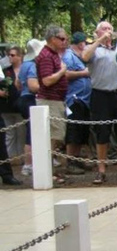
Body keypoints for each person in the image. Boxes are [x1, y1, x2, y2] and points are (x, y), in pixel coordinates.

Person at [80, 21, 117, 184]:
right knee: (102, 133)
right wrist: (99, 41)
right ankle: (101, 170)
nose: (108, 31)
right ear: (97, 32)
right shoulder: (93, 48)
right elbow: (85, 57)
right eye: (104, 29)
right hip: (100, 95)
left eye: (110, 29)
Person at [35, 26, 71, 184]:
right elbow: (47, 80)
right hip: (49, 101)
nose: (65, 42)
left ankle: (50, 172)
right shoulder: (46, 56)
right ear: (52, 39)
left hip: (57, 100)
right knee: (51, 139)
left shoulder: (54, 54)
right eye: (62, 39)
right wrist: (62, 71)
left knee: (55, 139)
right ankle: (46, 174)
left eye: (66, 39)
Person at [61, 32, 91, 175]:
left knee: (81, 131)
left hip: (84, 100)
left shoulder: (80, 58)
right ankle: (70, 162)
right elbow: (65, 74)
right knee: (73, 131)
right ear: (80, 44)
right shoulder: (69, 56)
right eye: (86, 43)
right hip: (74, 99)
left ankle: (77, 159)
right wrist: (84, 73)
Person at [18, 39, 43, 176]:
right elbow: (33, 86)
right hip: (31, 100)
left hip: (23, 97)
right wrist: (45, 86)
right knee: (32, 133)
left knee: (30, 131)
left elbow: (18, 83)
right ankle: (28, 164)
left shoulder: (24, 64)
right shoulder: (33, 65)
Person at [1, 45, 24, 160]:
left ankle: (21, 157)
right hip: (7, 106)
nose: (10, 57)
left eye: (13, 55)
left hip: (20, 106)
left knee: (21, 133)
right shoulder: (5, 71)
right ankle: (10, 158)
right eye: (9, 55)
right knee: (9, 133)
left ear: (20, 56)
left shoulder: (26, 68)